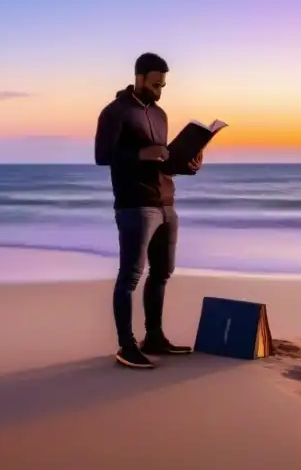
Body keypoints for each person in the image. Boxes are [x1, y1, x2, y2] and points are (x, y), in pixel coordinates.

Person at [94, 52, 203, 368]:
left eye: (163, 85)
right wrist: (142, 153)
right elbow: (103, 156)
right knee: (130, 277)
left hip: (166, 203)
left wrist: (187, 165)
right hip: (135, 204)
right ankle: (125, 346)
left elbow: (163, 160)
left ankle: (153, 337)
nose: (159, 90)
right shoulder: (115, 112)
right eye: (155, 84)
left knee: (162, 272)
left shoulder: (160, 114)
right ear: (139, 77)